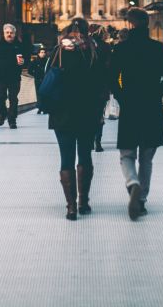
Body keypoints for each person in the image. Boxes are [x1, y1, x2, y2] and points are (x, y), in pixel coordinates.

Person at [111, 7, 163, 220]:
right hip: (151, 107)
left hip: (130, 106)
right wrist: (156, 93)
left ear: (129, 25)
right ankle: (142, 200)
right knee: (147, 157)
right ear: (147, 24)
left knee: (127, 154)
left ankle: (132, 183)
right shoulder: (158, 49)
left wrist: (122, 96)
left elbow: (112, 78)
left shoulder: (121, 49)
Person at [49, 17, 107, 220]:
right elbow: (103, 82)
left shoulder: (59, 52)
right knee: (85, 156)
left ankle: (70, 207)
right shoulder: (93, 51)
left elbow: (46, 76)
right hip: (87, 112)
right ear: (86, 32)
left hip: (62, 113)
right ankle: (84, 201)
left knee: (66, 158)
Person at [0, 24, 29, 129]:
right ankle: (3, 113)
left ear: (14, 34)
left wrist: (23, 62)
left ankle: (12, 120)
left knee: (13, 99)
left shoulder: (20, 45)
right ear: (4, 33)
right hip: (0, 78)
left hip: (14, 78)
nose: (9, 35)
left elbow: (26, 59)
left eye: (11, 33)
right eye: (7, 33)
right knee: (0, 98)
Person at [89, 24, 112, 152]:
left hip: (86, 87)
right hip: (101, 86)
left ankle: (90, 140)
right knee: (99, 114)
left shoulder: (84, 46)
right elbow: (110, 67)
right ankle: (98, 141)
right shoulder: (106, 46)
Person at [28, 44, 48, 114]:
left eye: (44, 52)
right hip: (38, 79)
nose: (43, 54)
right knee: (39, 94)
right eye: (41, 52)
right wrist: (35, 75)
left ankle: (44, 108)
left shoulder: (47, 61)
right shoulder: (34, 61)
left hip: (45, 80)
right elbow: (29, 70)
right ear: (39, 53)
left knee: (45, 94)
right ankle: (40, 108)